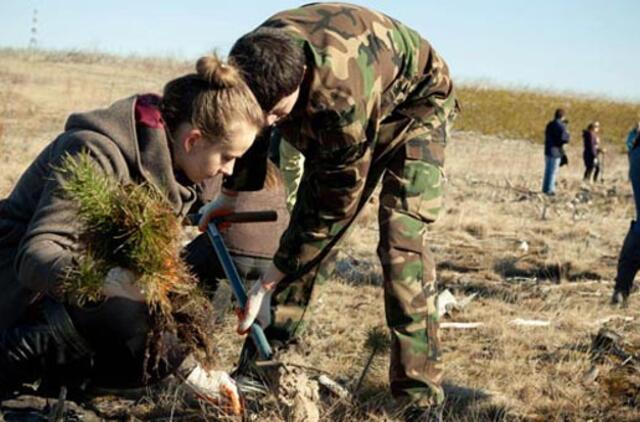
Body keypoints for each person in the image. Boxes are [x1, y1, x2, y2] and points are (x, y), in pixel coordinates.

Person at [200, 3, 459, 414]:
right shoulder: (254, 55)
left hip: (417, 108)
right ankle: (264, 366)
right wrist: (230, 196)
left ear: (299, 80)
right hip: (358, 85)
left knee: (401, 245)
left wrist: (268, 281)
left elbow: (329, 211)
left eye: (279, 114)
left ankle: (420, 398)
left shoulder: (340, 104)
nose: (270, 122)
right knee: (300, 240)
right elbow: (249, 126)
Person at [0, 55, 264, 410]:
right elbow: (35, 257)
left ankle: (69, 378)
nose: (230, 171)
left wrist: (197, 371)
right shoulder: (95, 152)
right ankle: (16, 362)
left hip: (67, 298)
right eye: (227, 157)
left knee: (152, 326)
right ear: (193, 141)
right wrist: (110, 281)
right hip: (15, 293)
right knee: (126, 313)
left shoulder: (175, 171)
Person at [613, 126, 640, 307]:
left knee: (627, 263)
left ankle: (620, 294)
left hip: (638, 230)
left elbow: (630, 143)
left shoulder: (635, 154)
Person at [542, 108, 570, 195]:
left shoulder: (550, 124)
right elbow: (565, 139)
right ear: (563, 116)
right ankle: (550, 190)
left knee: (547, 170)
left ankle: (545, 188)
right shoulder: (560, 126)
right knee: (553, 171)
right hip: (556, 151)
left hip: (548, 149)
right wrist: (566, 130)